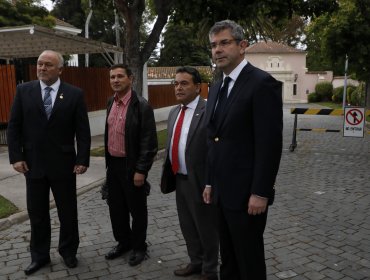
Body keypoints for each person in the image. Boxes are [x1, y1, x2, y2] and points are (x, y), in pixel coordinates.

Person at [203, 20, 283, 280]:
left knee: (249, 262)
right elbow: (213, 139)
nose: (218, 50)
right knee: (228, 259)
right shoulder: (216, 88)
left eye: (224, 43)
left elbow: (269, 144)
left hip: (248, 196)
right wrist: (208, 181)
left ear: (242, 46)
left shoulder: (262, 84)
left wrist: (261, 192)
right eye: (214, 45)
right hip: (220, 194)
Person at [7, 50, 91, 275]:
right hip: (32, 164)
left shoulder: (74, 94)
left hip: (64, 164)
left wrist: (82, 159)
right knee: (37, 213)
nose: (42, 68)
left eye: (48, 65)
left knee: (67, 212)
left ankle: (68, 252)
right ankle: (40, 256)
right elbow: (13, 127)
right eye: (39, 64)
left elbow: (83, 132)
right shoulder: (24, 91)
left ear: (60, 69)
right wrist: (16, 157)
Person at [161, 67, 219, 280]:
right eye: (176, 83)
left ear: (198, 87)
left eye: (184, 83)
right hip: (180, 179)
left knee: (206, 228)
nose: (178, 87)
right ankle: (196, 262)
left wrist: (211, 182)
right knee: (187, 225)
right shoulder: (174, 112)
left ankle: (210, 269)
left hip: (202, 181)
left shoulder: (209, 110)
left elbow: (215, 149)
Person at [104, 64, 158, 266]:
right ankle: (123, 242)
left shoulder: (141, 106)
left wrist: (141, 170)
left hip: (132, 166)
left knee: (137, 209)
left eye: (119, 76)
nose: (115, 80)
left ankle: (139, 246)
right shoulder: (111, 102)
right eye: (112, 77)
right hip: (114, 166)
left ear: (130, 79)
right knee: (116, 208)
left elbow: (149, 142)